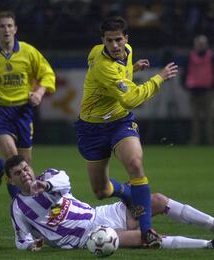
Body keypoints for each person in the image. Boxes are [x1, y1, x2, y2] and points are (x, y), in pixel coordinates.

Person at [73, 16, 178, 247]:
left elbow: (122, 88)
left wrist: (131, 68)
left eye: (118, 40)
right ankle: (128, 193)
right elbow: (131, 98)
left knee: (135, 164)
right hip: (91, 128)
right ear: (102, 41)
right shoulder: (102, 65)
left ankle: (146, 229)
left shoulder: (127, 51)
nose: (114, 45)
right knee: (101, 190)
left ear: (126, 38)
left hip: (120, 121)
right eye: (109, 41)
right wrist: (159, 78)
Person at [5, 155, 214, 251]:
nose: (24, 174)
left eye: (25, 168)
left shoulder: (48, 176)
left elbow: (64, 181)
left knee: (155, 200)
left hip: (99, 214)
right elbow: (21, 239)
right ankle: (211, 244)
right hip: (87, 236)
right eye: (18, 173)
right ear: (11, 180)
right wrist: (30, 245)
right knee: (146, 237)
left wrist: (44, 186)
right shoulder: (18, 208)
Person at [0, 11, 56, 198]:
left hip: (22, 110)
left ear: (15, 29)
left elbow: (47, 74)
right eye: (2, 26)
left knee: (24, 163)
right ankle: (21, 207)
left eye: (9, 26)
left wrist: (40, 93)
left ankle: (1, 167)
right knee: (14, 159)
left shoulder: (29, 52)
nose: (6, 29)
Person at [181, 34, 214, 145]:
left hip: (206, 91)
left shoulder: (193, 57)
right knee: (197, 120)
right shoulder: (211, 56)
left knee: (206, 119)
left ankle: (208, 141)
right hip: (196, 91)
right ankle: (199, 141)